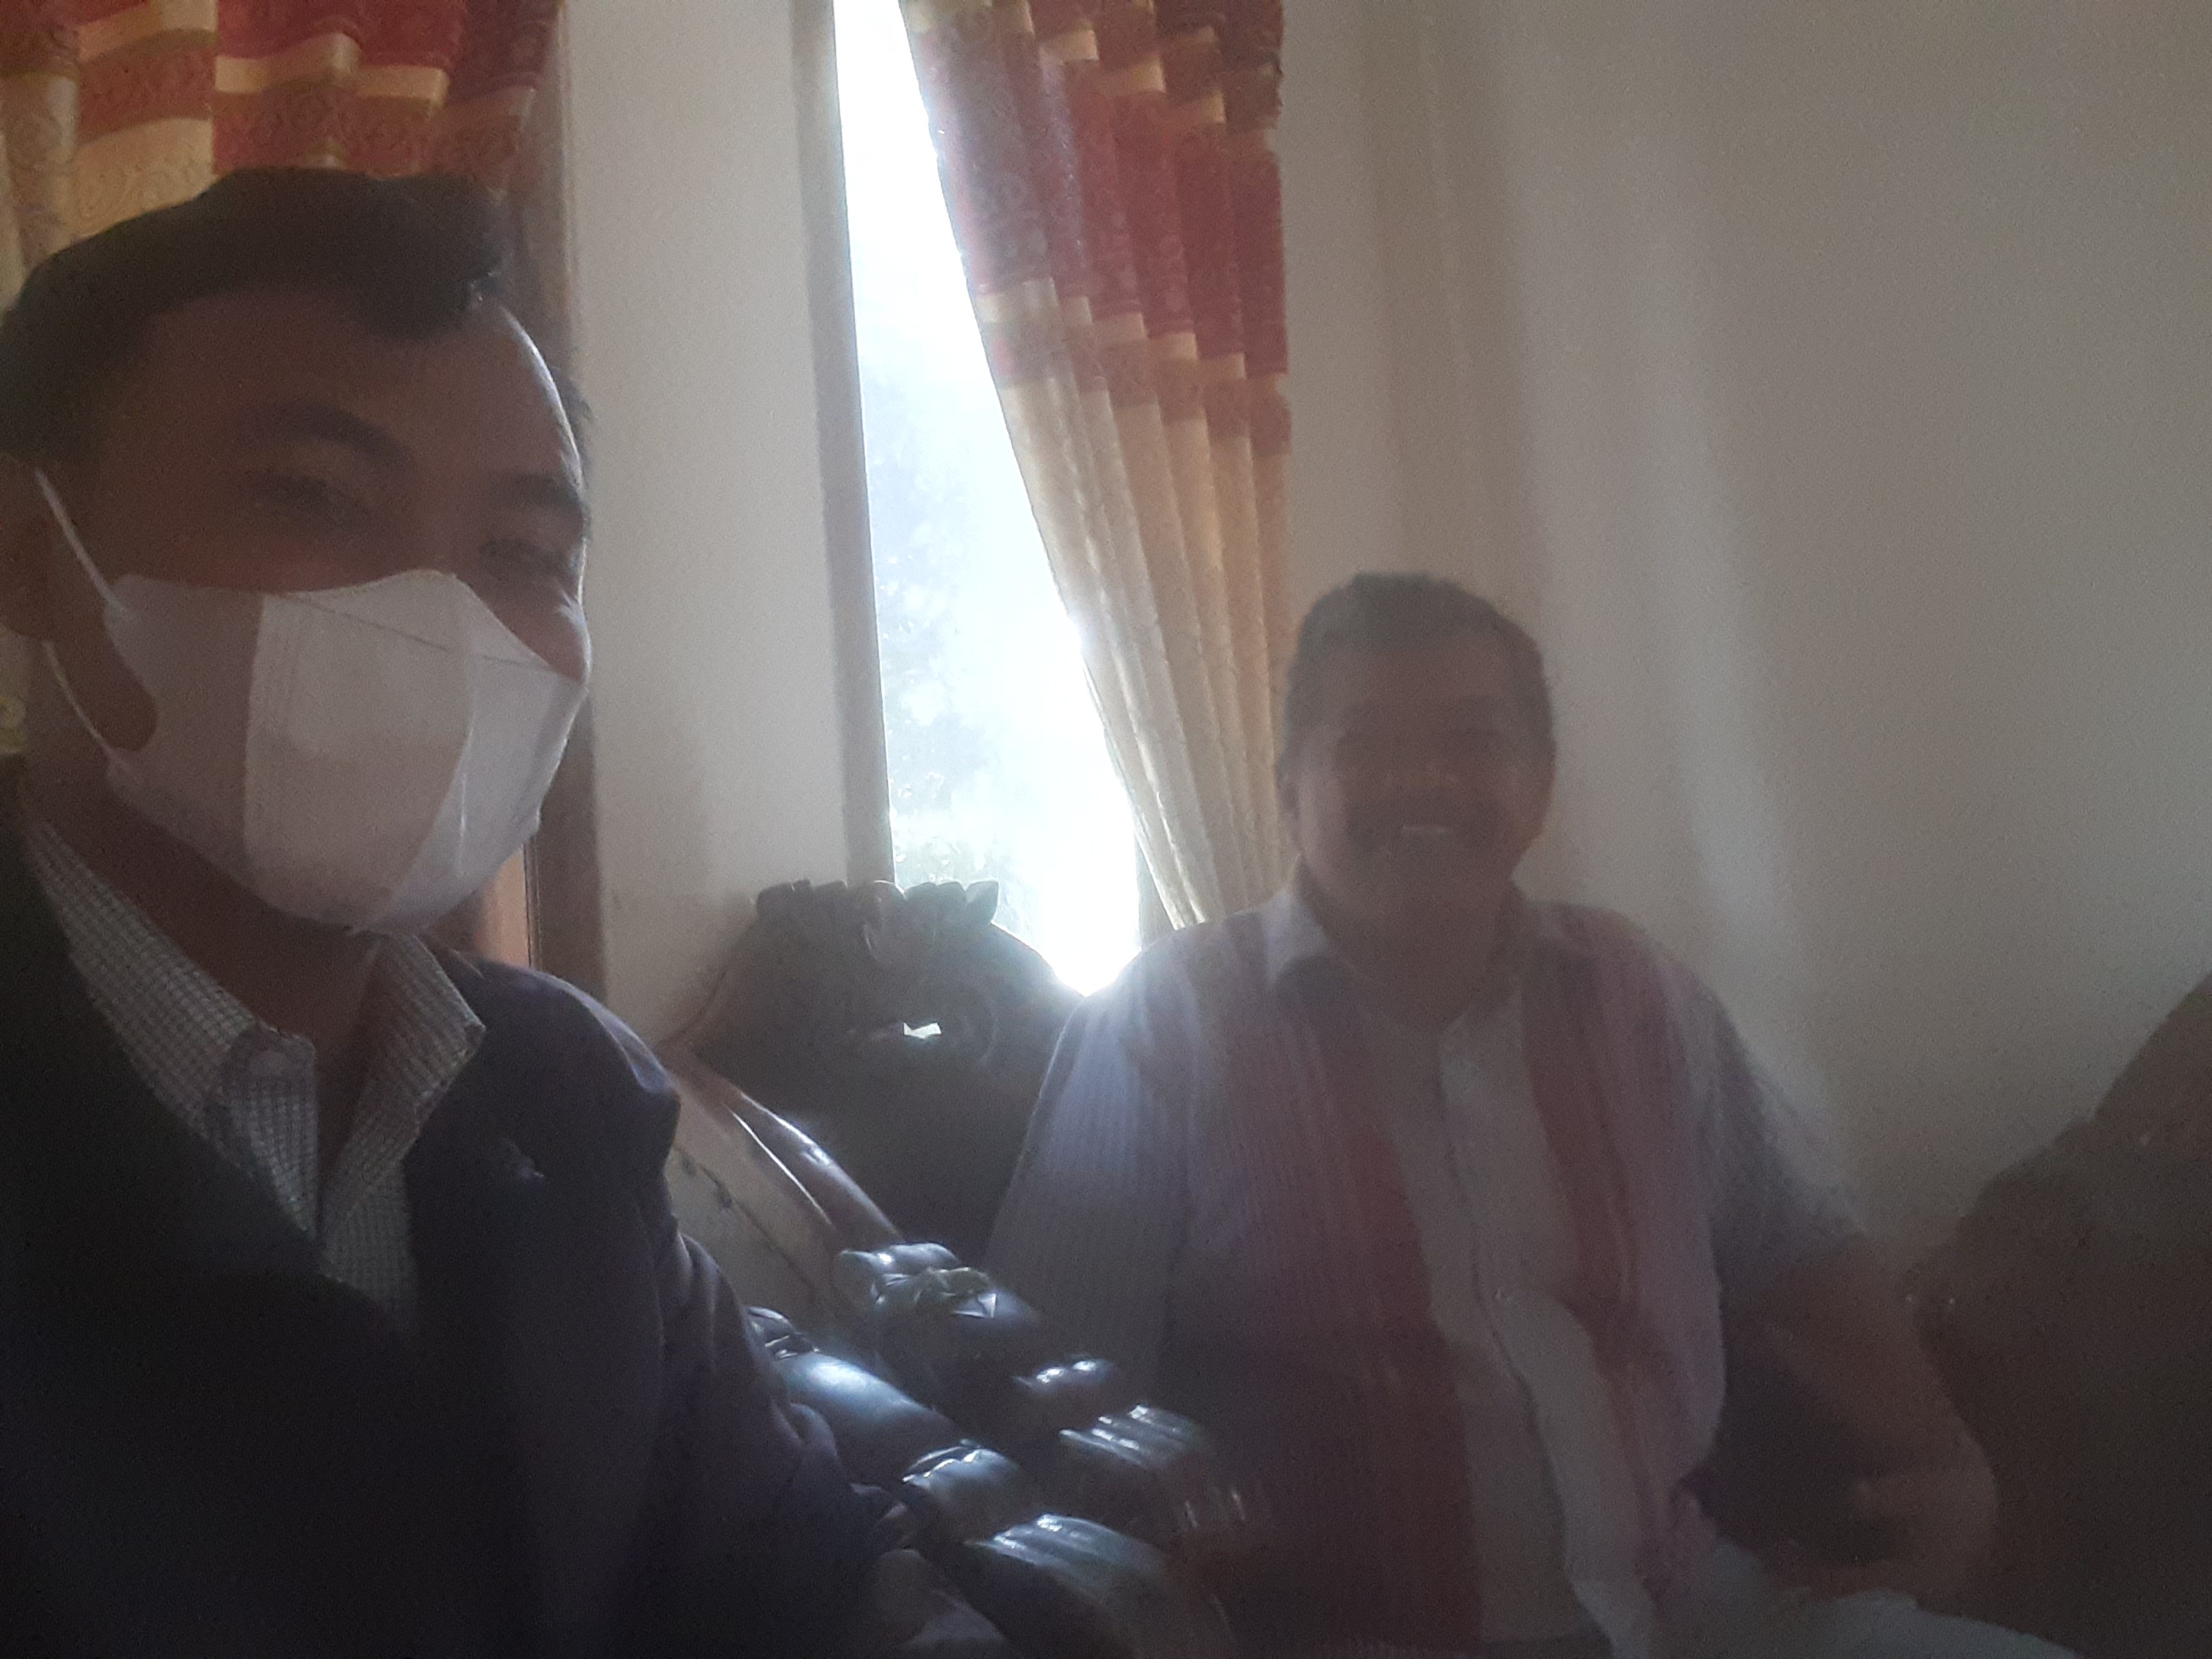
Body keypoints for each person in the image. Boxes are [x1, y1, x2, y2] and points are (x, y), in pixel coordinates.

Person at [0, 170, 1003, 1657]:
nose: (442, 618)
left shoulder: (562, 1091)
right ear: (30, 554)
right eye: (312, 495)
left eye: (525, 557)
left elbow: (798, 1577)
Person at [986, 573, 2070, 1659]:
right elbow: (1040, 1396)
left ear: (1540, 782)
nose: (1422, 780)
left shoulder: (1638, 996)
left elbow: (1797, 1247)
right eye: (1365, 744)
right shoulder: (1164, 1028)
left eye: (1473, 739)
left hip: (1697, 1617)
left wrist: (1943, 1459)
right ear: (1287, 790)